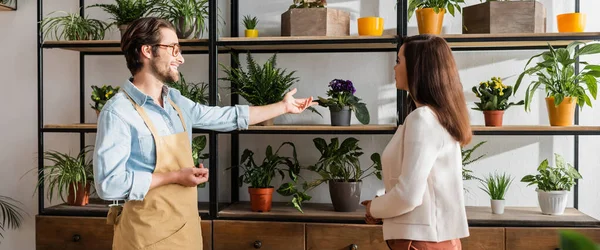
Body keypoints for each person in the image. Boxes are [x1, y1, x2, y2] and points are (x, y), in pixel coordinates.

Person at [93, 17, 316, 250]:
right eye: (173, 49)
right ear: (147, 51)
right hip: (143, 238)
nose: (181, 58)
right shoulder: (118, 112)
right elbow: (109, 185)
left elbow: (226, 117)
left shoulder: (176, 102)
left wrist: (283, 107)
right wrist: (175, 177)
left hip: (184, 232)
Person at [361, 34, 472, 250]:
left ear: (417, 68)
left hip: (421, 243)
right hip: (432, 240)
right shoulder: (437, 116)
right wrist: (381, 206)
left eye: (398, 61)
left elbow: (408, 195)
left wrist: (374, 208)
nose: (394, 69)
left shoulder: (423, 119)